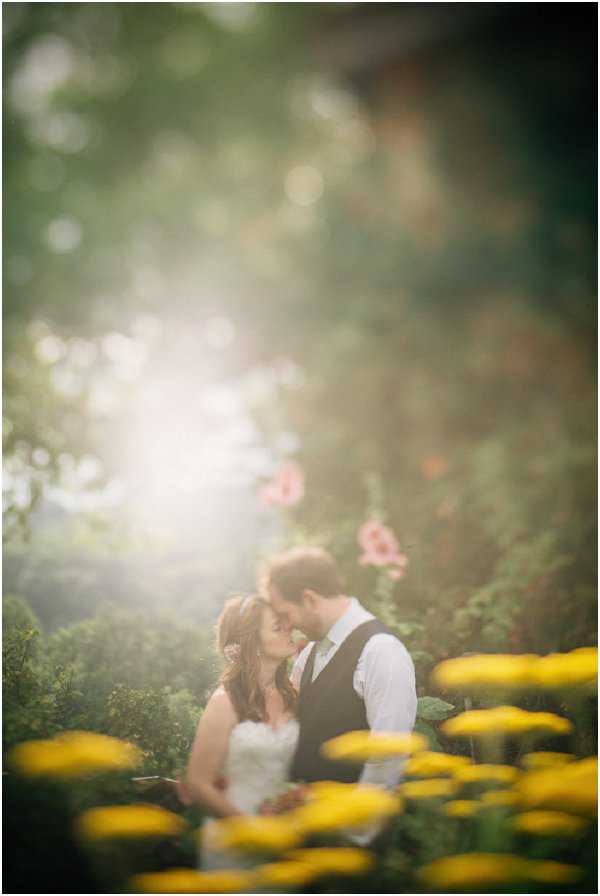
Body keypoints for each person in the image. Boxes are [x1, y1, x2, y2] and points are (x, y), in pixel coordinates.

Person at [263, 546, 417, 844]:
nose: (287, 625)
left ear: (309, 599)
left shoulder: (381, 651)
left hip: (352, 847)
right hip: (305, 840)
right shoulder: (307, 654)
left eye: (286, 613)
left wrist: (351, 836)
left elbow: (388, 758)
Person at [184, 594, 299, 870]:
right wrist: (252, 833)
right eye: (277, 627)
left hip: (285, 843)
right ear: (253, 640)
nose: (289, 629)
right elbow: (198, 782)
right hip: (233, 840)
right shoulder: (224, 701)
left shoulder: (296, 696)